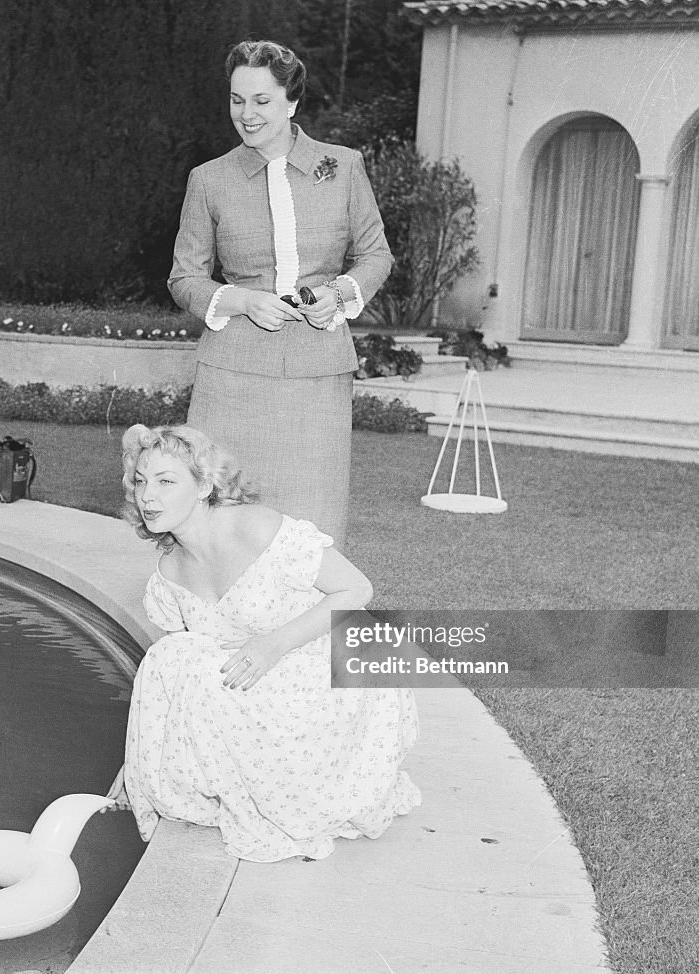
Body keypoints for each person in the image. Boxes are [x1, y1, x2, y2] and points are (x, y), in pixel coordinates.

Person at [107, 424, 420, 862]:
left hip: (337, 667)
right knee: (170, 658)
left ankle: (301, 792)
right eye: (140, 481)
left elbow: (356, 590)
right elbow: (173, 683)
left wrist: (273, 644)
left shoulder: (255, 527)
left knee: (195, 671)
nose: (147, 496)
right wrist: (140, 755)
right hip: (267, 676)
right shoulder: (170, 570)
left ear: (202, 485)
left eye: (165, 481)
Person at [168, 39, 394, 547]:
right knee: (221, 517)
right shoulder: (209, 180)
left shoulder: (343, 166)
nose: (246, 115)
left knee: (309, 523)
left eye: (262, 101)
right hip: (231, 376)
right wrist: (243, 300)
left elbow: (377, 255)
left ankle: (304, 626)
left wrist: (340, 293)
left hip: (317, 373)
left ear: (293, 101)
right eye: (236, 99)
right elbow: (184, 278)